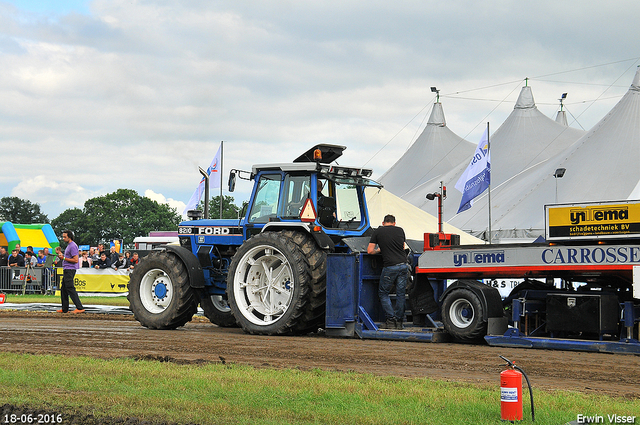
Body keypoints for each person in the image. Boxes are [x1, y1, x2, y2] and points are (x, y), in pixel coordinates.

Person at [367, 214, 409, 330]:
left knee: (383, 293)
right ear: (394, 223)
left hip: (390, 267)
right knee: (400, 294)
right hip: (403, 265)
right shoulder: (400, 230)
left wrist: (379, 250)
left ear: (383, 222)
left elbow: (370, 251)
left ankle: (390, 321)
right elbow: (402, 246)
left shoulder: (378, 231)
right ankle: (399, 322)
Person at [57, 230, 85, 314]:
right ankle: (65, 308)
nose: (63, 238)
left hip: (70, 269)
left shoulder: (72, 246)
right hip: (67, 269)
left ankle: (79, 307)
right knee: (64, 289)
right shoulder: (69, 246)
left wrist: (64, 258)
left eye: (65, 237)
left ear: (69, 237)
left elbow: (75, 260)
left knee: (70, 288)